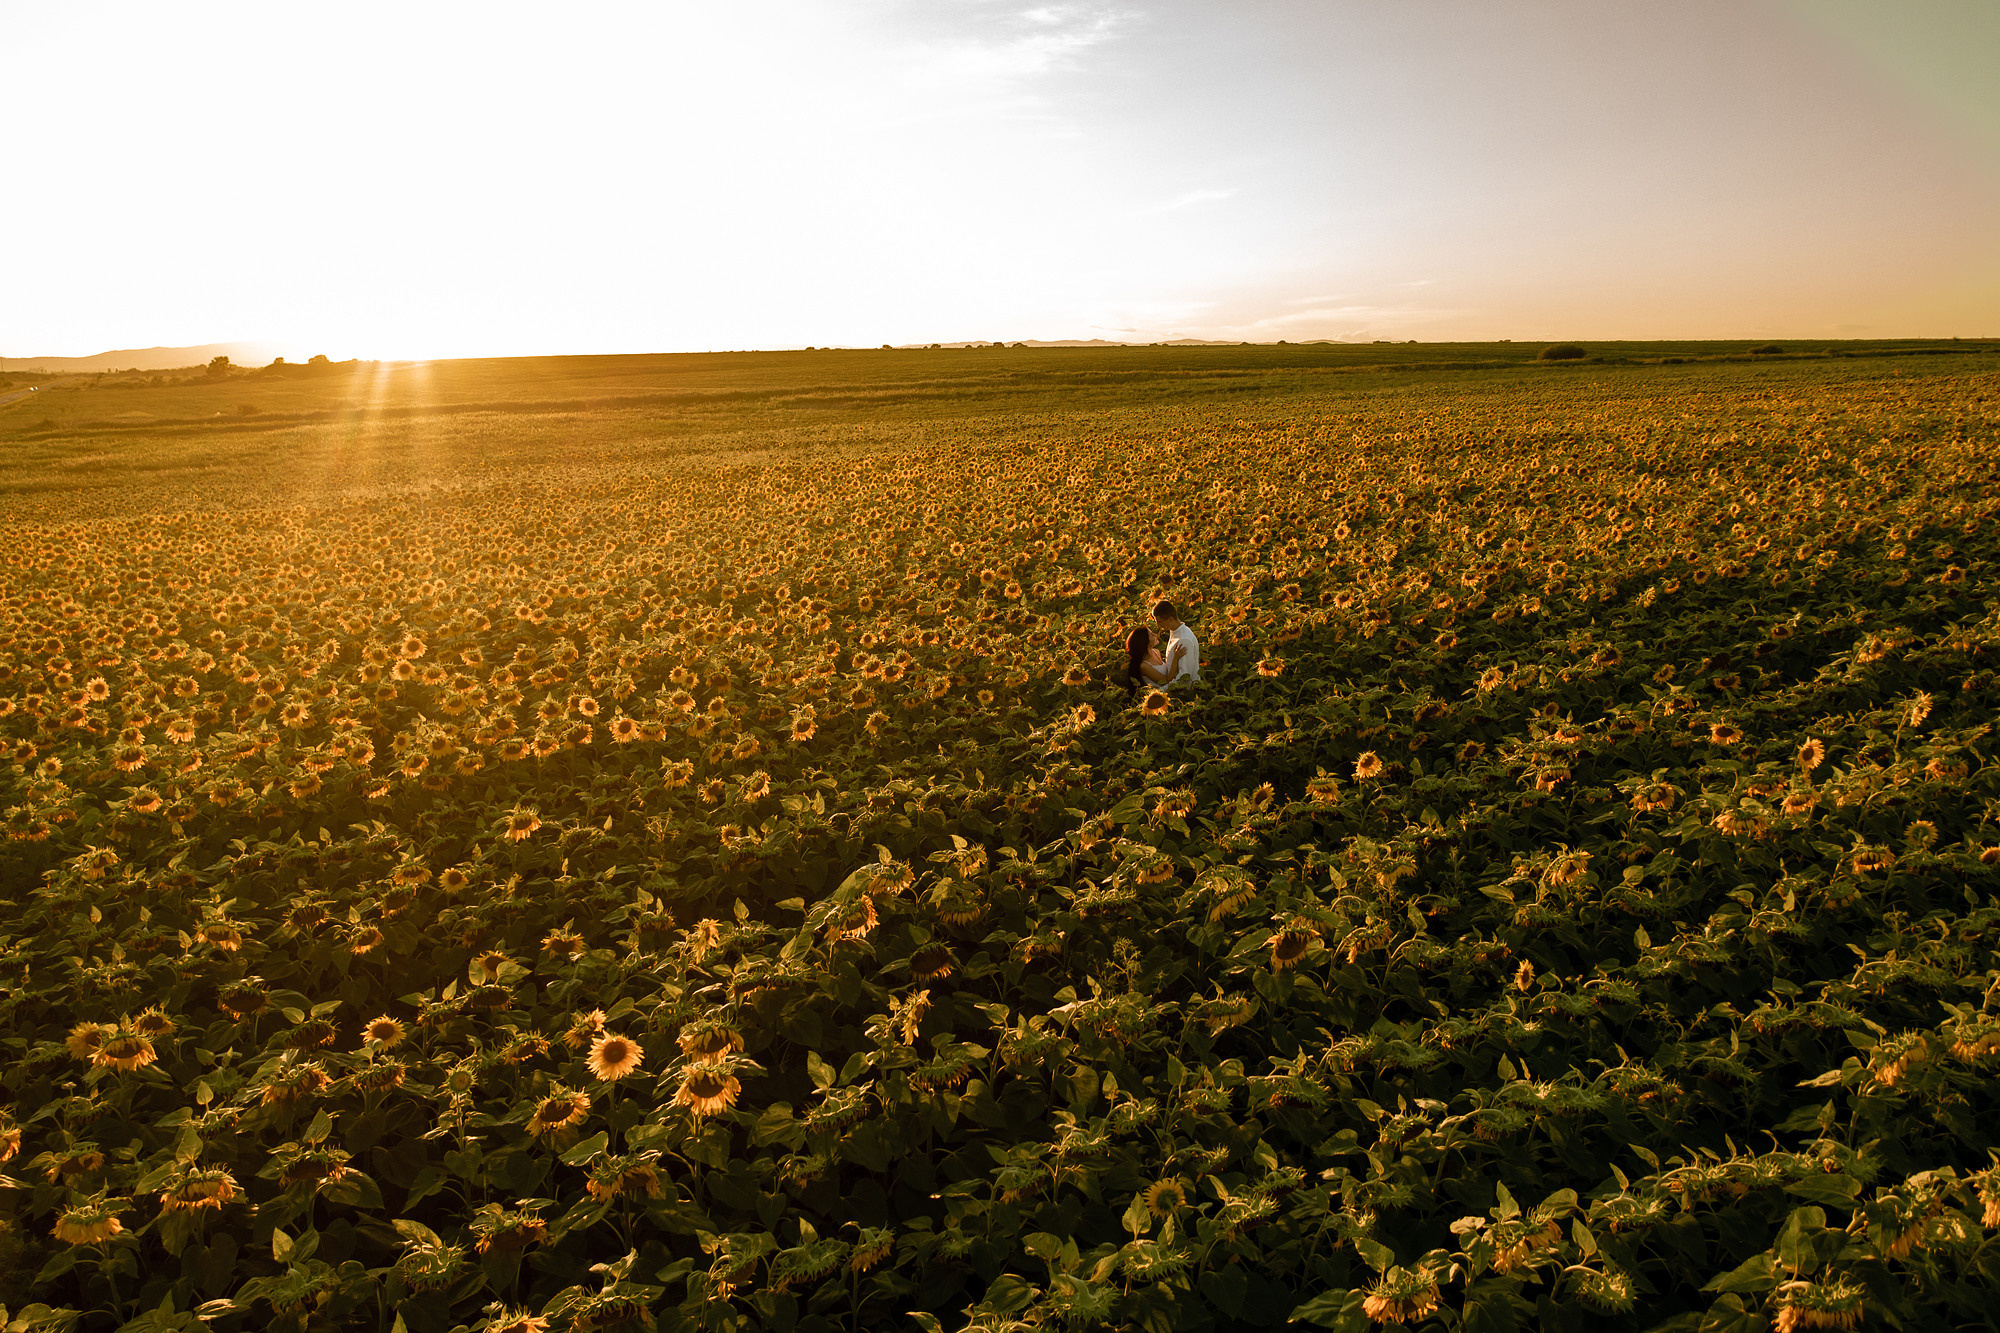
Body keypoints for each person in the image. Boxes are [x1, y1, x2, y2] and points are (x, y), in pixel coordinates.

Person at [1153, 601, 1200, 684]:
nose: (1157, 624)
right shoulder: (1174, 632)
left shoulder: (1184, 639)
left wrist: (1163, 690)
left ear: (1170, 619)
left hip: (1183, 692)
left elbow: (1184, 676)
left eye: (1160, 621)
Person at [1124, 626, 1174, 694]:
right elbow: (1165, 681)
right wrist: (1176, 659)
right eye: (1152, 635)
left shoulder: (1156, 652)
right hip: (1160, 696)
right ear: (1145, 642)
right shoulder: (1144, 666)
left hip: (1169, 690)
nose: (1155, 635)